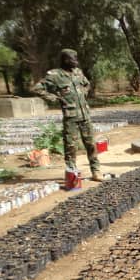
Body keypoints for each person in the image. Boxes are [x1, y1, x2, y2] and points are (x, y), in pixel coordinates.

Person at [33, 48, 102, 181]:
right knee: (70, 147)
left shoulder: (78, 72)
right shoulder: (55, 75)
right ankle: (72, 175)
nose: (76, 62)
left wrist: (83, 93)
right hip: (71, 117)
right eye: (73, 59)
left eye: (76, 59)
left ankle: (96, 171)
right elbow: (37, 89)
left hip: (85, 116)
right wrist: (54, 98)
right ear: (65, 60)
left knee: (91, 144)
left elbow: (87, 84)